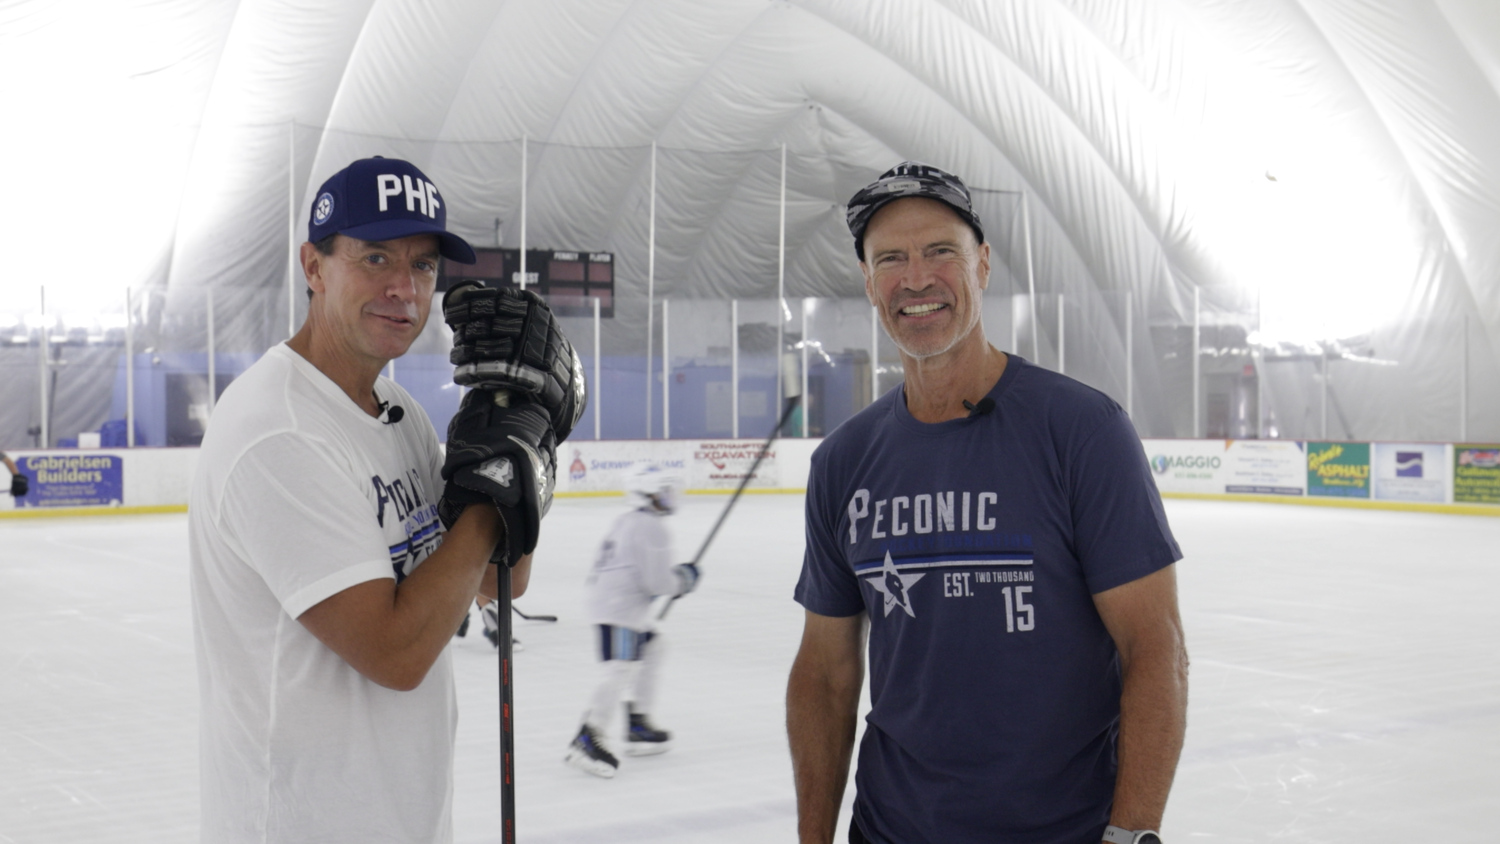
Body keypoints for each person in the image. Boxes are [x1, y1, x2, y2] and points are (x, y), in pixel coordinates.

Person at [786, 162, 1188, 844]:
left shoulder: (1081, 431)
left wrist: (1131, 836)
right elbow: (825, 673)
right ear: (868, 282)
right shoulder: (843, 463)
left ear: (983, 265)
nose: (916, 279)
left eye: (940, 251)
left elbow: (1155, 649)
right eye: (891, 259)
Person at [189, 156, 568, 843]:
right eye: (375, 258)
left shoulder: (397, 412)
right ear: (314, 266)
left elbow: (499, 577)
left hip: (402, 817)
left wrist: (527, 439)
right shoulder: (279, 431)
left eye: (423, 266)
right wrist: (493, 493)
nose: (404, 288)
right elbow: (396, 653)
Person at [564, 463, 700, 778]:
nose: (669, 499)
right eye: (663, 493)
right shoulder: (652, 526)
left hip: (614, 604)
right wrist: (685, 580)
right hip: (619, 610)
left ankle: (638, 721)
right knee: (619, 668)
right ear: (647, 495)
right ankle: (589, 734)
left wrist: (676, 579)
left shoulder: (629, 521)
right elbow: (658, 583)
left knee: (655, 646)